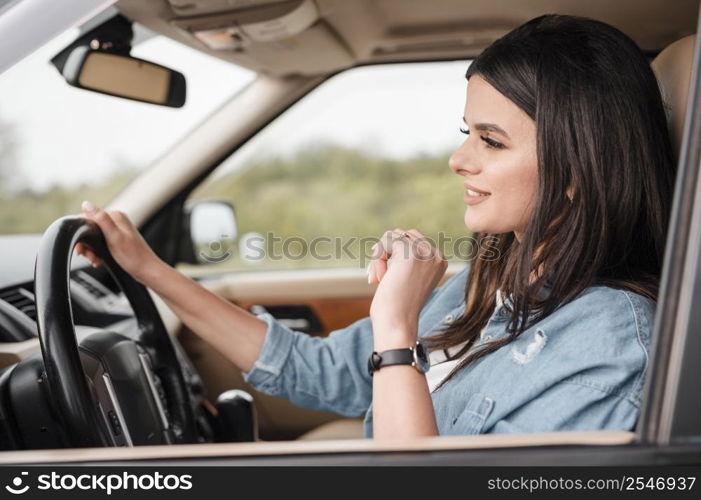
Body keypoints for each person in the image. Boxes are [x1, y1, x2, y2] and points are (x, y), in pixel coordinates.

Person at [76, 14, 675, 441]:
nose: (459, 160)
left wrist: (396, 330)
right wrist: (149, 270)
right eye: (465, 132)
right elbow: (316, 372)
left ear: (579, 169)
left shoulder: (613, 345)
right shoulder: (488, 282)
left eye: (491, 141)